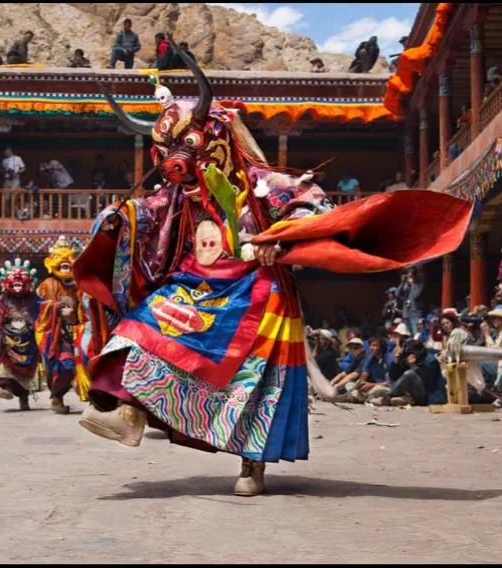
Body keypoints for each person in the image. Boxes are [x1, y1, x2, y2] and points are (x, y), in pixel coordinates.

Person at [73, 38, 471, 497]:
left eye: (185, 146)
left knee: (257, 381)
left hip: (260, 293)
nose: (174, 162)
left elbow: (312, 208)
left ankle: (252, 464)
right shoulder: (180, 197)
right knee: (139, 329)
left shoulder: (268, 184)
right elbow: (148, 215)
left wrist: (277, 242)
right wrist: (118, 218)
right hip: (195, 287)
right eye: (167, 151)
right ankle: (130, 411)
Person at [35, 236, 91, 414]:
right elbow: (38, 307)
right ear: (50, 262)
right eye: (60, 258)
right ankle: (57, 396)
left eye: (69, 258)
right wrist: (56, 307)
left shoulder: (79, 285)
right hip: (56, 334)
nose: (65, 262)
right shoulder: (47, 284)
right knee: (64, 366)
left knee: (85, 363)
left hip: (76, 330)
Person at [0, 259, 41, 410]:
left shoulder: (34, 299)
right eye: (13, 276)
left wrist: (54, 306)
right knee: (5, 366)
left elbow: (45, 308)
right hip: (8, 341)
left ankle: (24, 397)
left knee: (27, 372)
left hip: (29, 341)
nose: (17, 279)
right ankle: (5, 388)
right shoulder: (1, 299)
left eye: (22, 275)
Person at [373, 339, 445, 407]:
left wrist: (414, 366)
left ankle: (387, 397)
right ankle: (405, 398)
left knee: (409, 374)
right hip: (412, 392)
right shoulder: (407, 357)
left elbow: (427, 382)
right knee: (388, 375)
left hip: (428, 395)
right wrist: (396, 363)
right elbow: (393, 376)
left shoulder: (431, 361)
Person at [397, 267, 424, 336]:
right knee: (407, 335)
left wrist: (412, 284)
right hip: (406, 313)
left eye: (410, 274)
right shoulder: (406, 284)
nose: (409, 276)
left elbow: (415, 295)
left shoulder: (419, 284)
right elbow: (397, 294)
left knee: (416, 334)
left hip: (415, 313)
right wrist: (403, 282)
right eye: (408, 274)